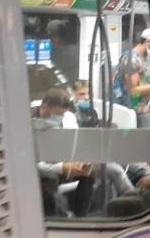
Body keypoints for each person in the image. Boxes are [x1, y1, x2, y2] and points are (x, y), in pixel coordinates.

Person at [32, 88, 135, 217]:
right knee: (48, 184)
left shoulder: (68, 117)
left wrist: (84, 160)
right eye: (56, 115)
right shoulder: (26, 123)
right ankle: (60, 219)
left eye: (62, 115)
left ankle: (135, 205)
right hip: (45, 170)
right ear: (44, 107)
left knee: (112, 170)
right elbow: (29, 166)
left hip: (69, 163)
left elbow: (76, 145)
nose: (59, 119)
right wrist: (61, 168)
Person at [113, 28, 150, 126]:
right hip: (134, 115)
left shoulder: (143, 60)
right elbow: (133, 91)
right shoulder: (131, 60)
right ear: (148, 43)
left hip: (143, 112)